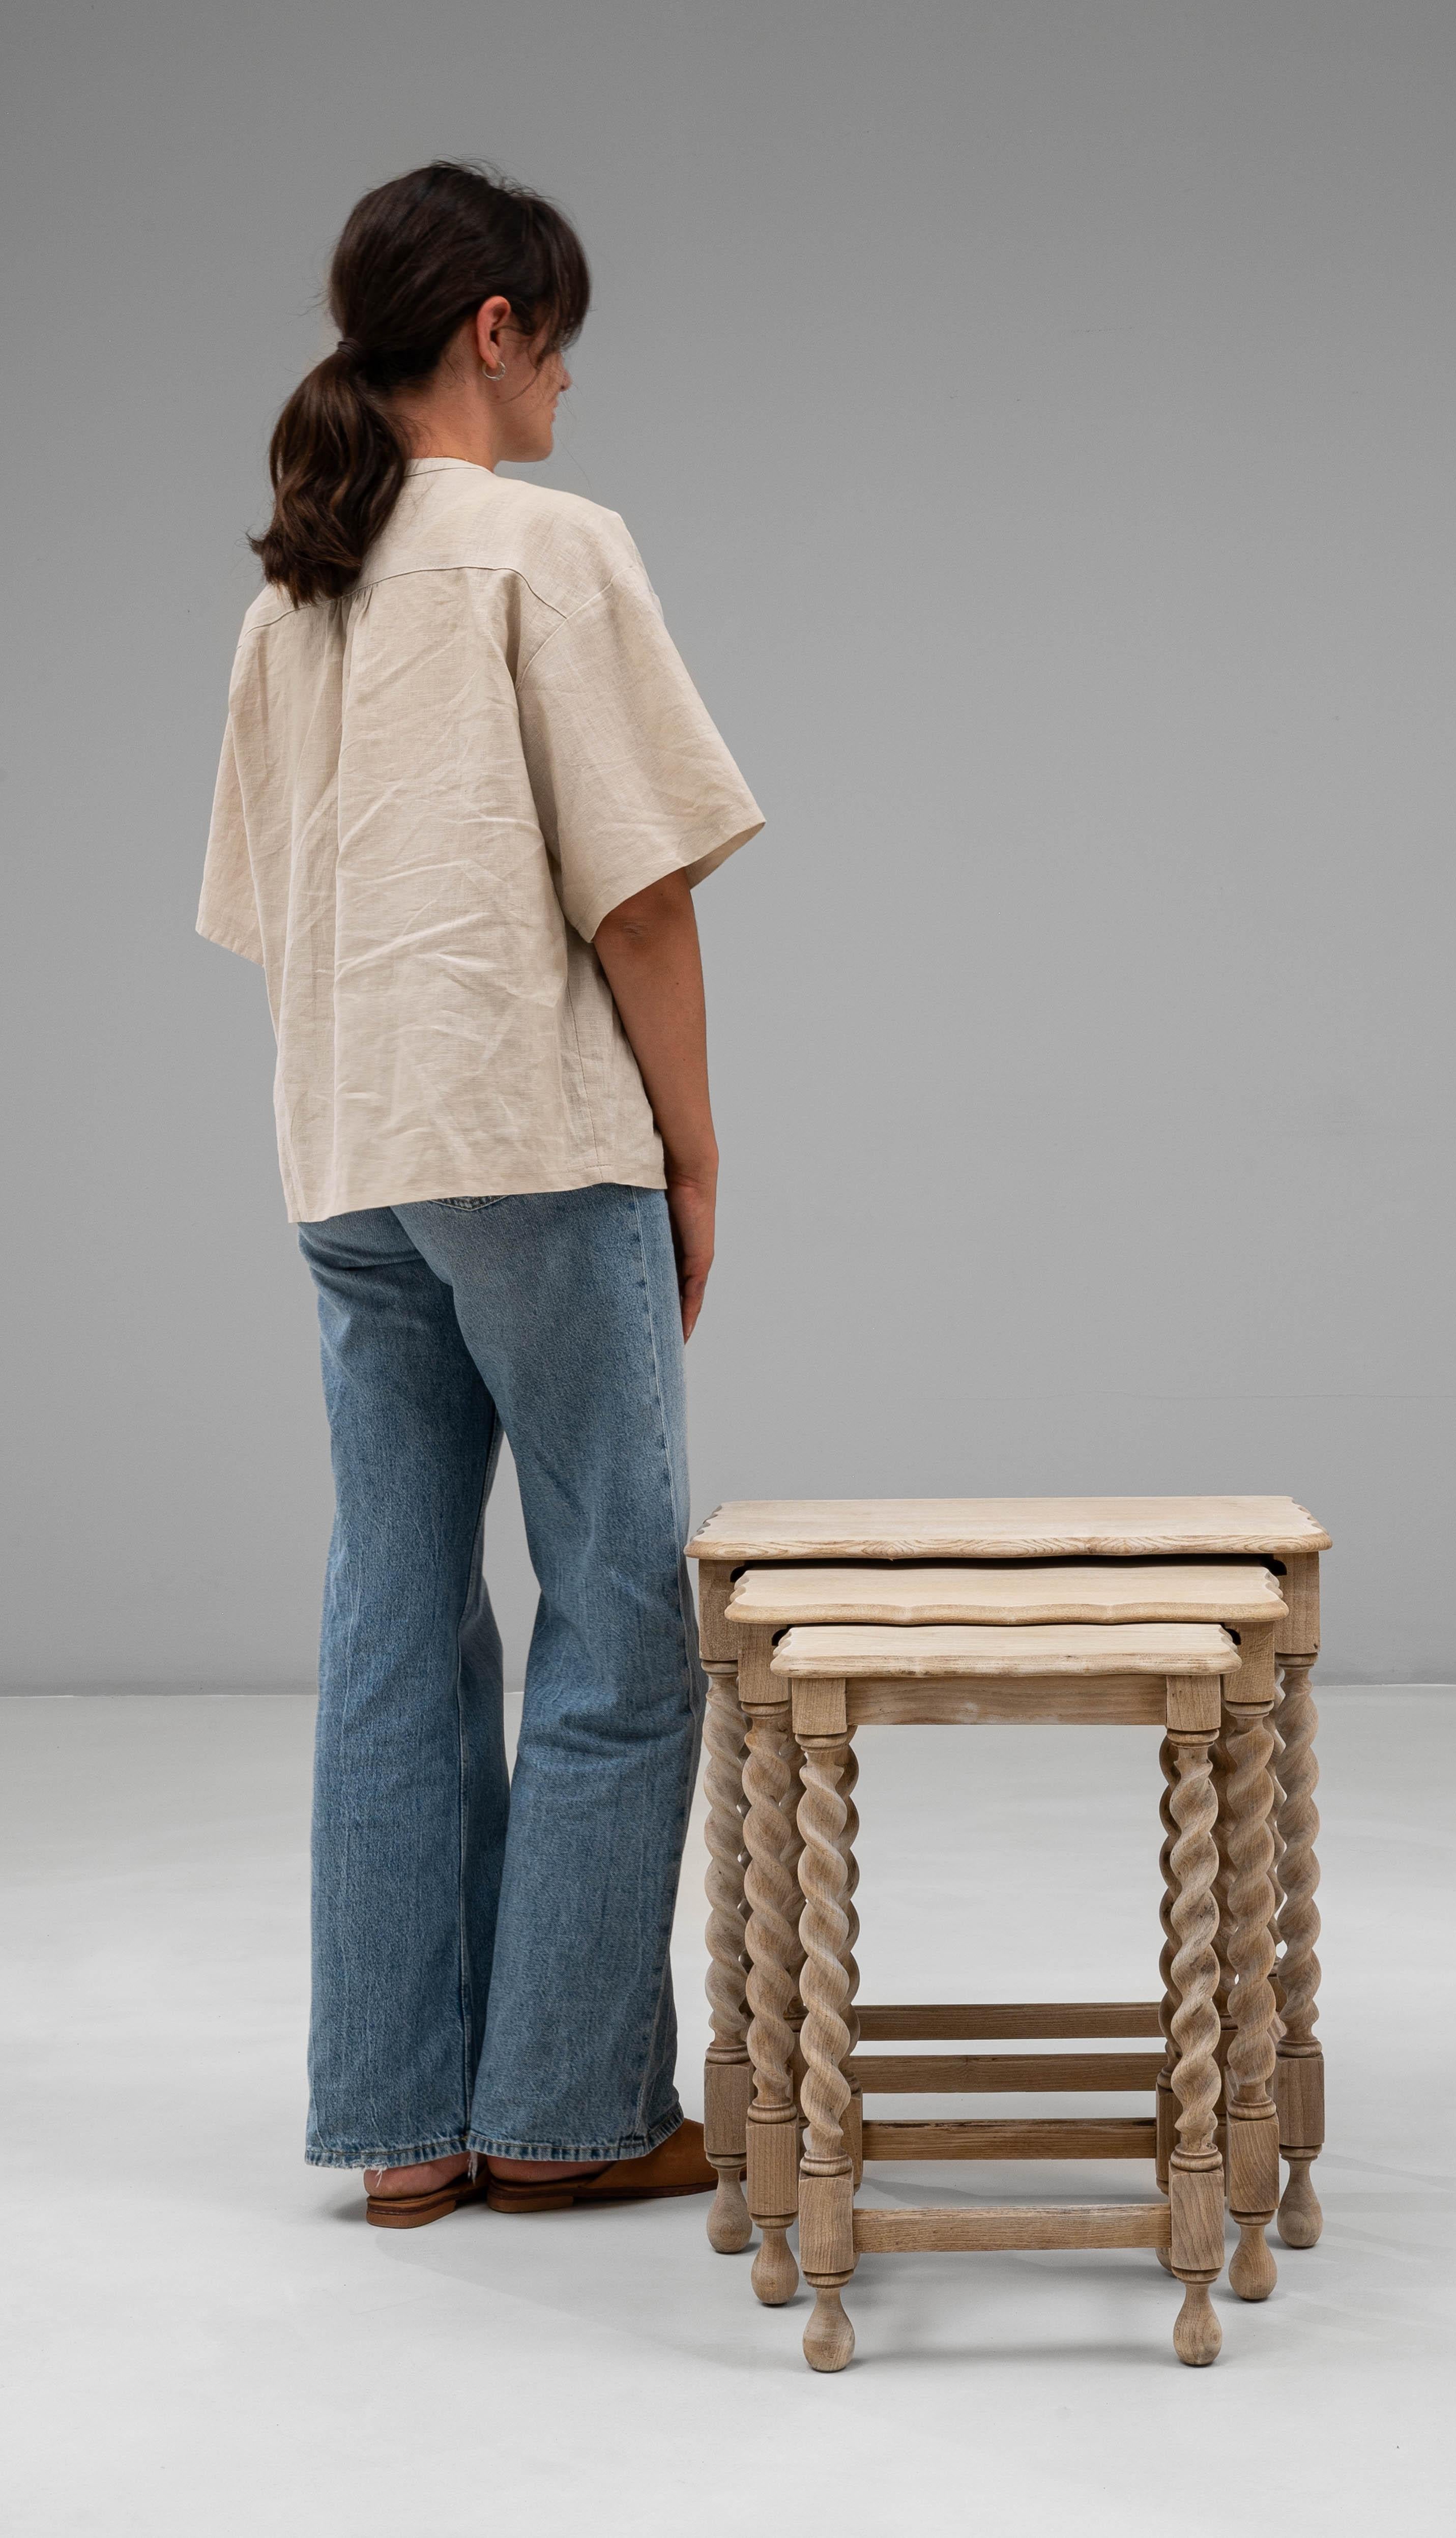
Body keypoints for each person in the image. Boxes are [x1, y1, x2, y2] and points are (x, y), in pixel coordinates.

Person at [197, 161, 763, 2228]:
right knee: (619, 1617)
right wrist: (694, 1151)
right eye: (559, 338)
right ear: (496, 329)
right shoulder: (544, 548)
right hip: (532, 1138)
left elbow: (273, 913)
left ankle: (400, 2127)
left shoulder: (294, 596)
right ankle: (563, 2113)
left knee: (395, 1618)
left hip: (346, 1152)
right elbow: (642, 888)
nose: (567, 386)